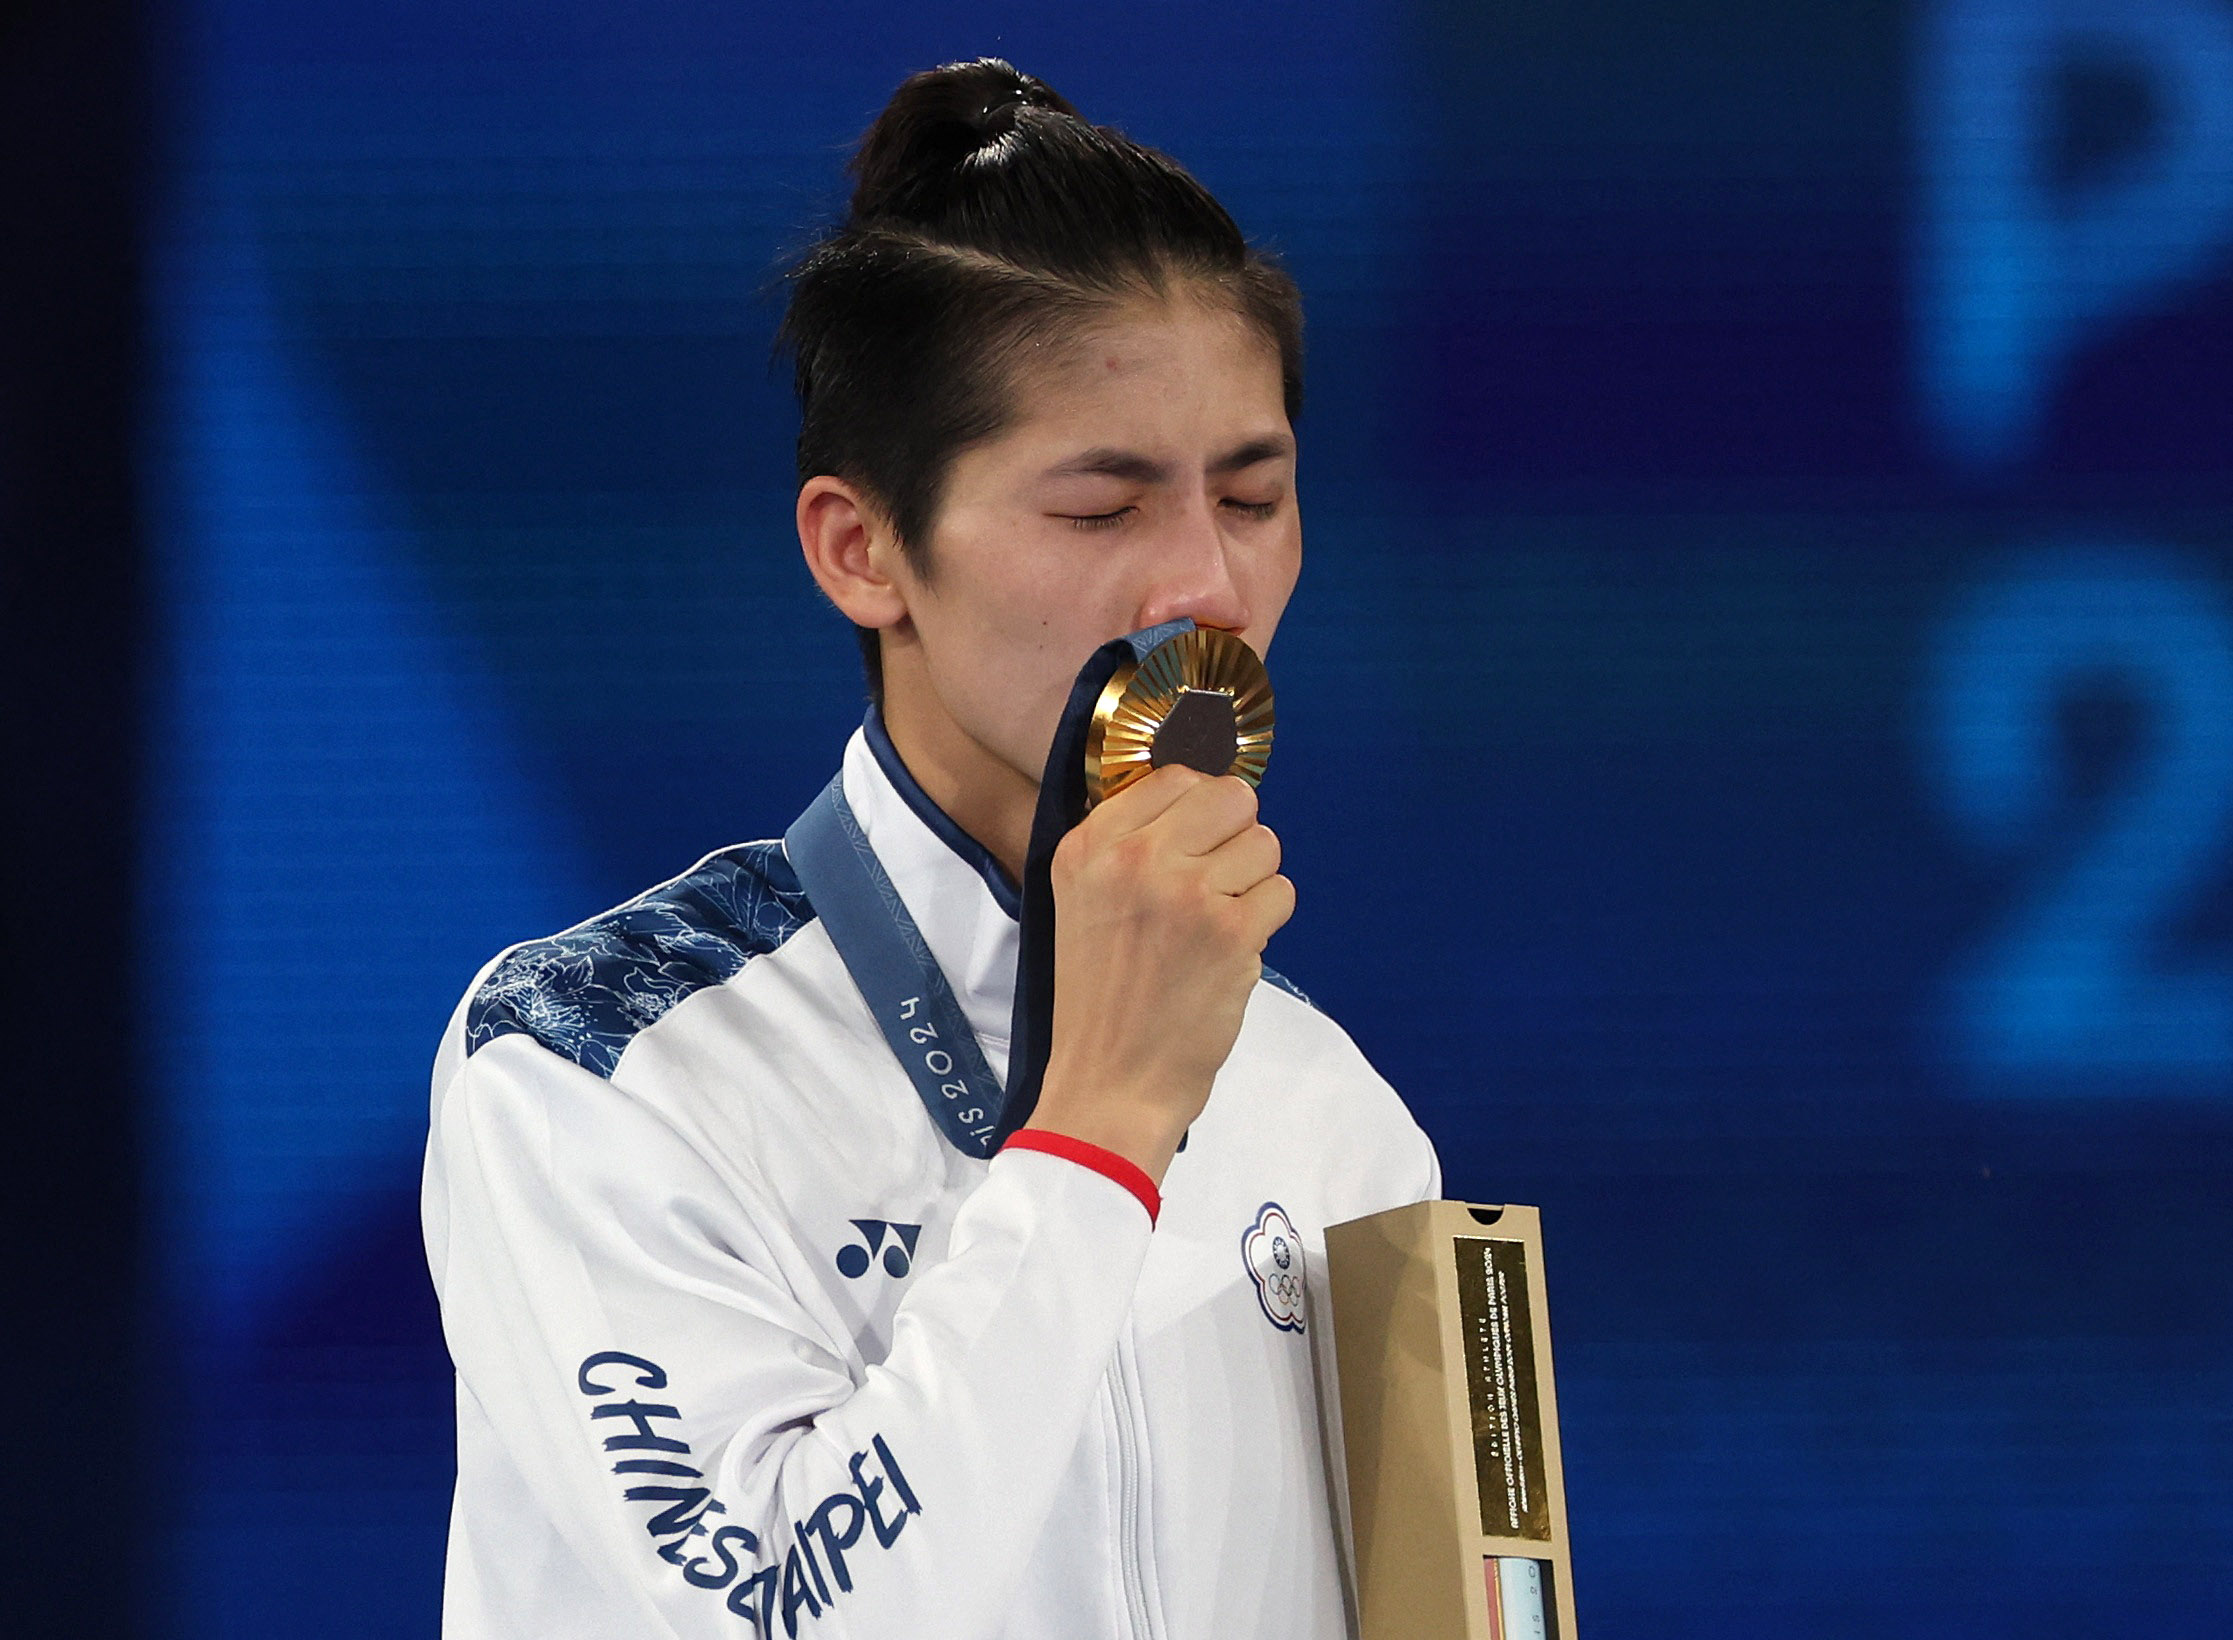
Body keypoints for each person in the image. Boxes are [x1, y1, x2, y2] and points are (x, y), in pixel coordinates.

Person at [422, 58, 1438, 1640]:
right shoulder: (593, 1066)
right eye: (1100, 511)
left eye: (1253, 493)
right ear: (863, 550)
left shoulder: (1331, 1113)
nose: (1208, 588)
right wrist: (1096, 1132)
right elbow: (798, 1620)